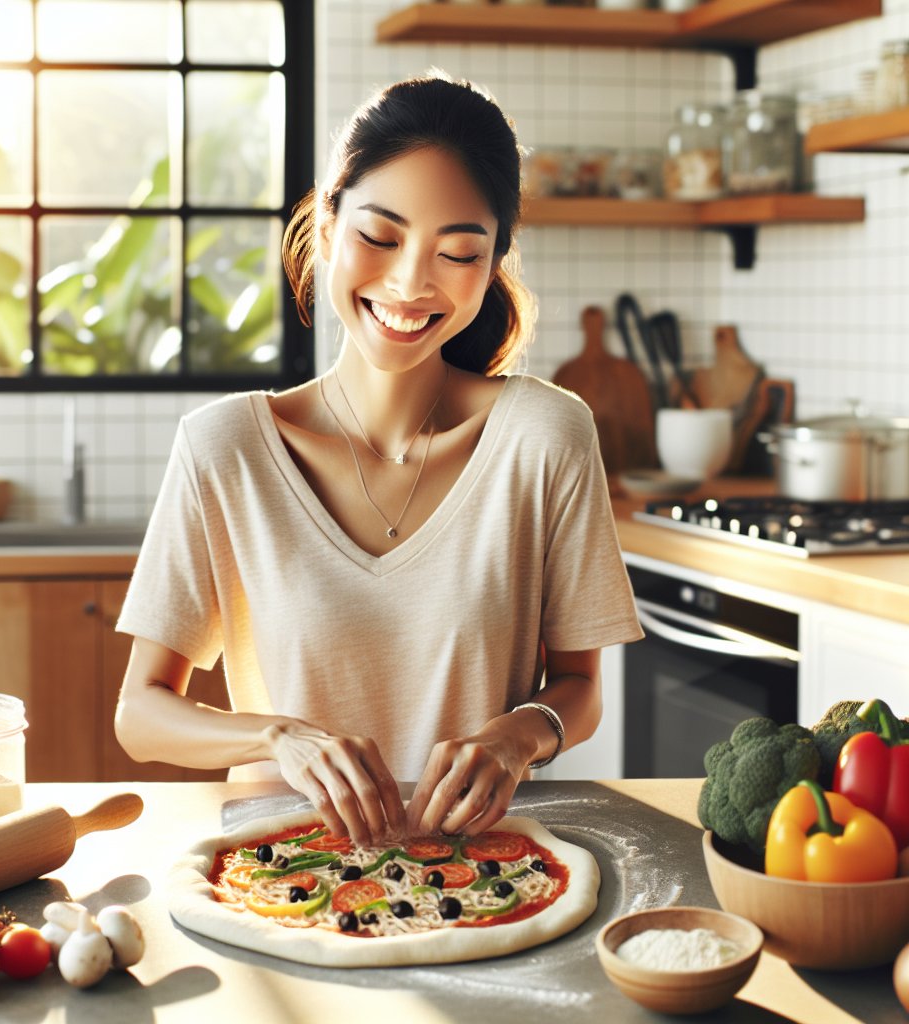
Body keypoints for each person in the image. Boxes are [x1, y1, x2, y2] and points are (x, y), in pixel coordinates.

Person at [114, 71, 643, 848]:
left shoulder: (547, 436)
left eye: (458, 251)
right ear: (326, 228)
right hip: (273, 868)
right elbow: (141, 715)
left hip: (483, 869)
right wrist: (277, 739)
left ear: (493, 261)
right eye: (379, 236)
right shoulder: (223, 447)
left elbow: (581, 687)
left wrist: (515, 738)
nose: (409, 282)